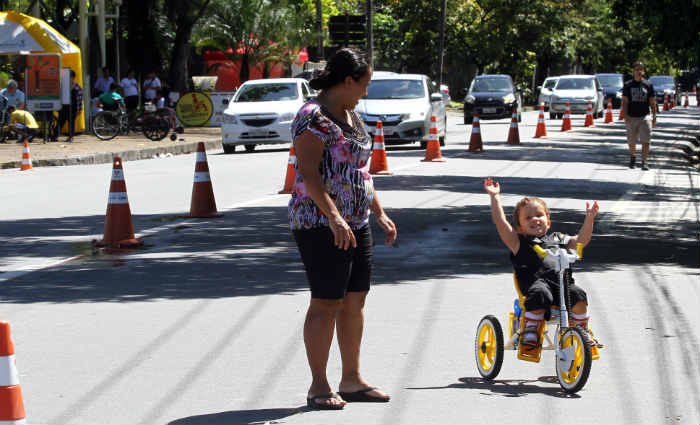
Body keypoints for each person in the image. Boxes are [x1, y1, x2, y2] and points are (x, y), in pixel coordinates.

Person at [289, 48, 397, 410]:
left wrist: (379, 212)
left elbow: (360, 171)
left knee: (355, 300)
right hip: (320, 222)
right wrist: (334, 216)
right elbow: (308, 173)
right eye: (364, 83)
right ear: (347, 81)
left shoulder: (351, 115)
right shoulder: (312, 118)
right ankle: (318, 385)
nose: (366, 91)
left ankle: (351, 379)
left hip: (357, 222)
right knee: (326, 302)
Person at [484, 178, 599, 349]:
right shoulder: (519, 242)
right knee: (540, 293)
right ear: (520, 227)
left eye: (539, 215)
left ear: (548, 221)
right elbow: (501, 224)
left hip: (562, 286)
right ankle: (531, 331)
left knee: (579, 295)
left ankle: (581, 329)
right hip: (534, 286)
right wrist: (495, 197)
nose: (534, 219)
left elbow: (581, 241)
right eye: (528, 217)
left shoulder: (558, 238)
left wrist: (589, 219)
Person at [621, 62, 657, 170]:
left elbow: (652, 101)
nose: (639, 71)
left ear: (643, 71)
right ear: (634, 71)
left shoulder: (648, 85)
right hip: (631, 116)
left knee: (646, 140)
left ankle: (644, 162)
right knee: (631, 140)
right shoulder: (628, 85)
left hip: (644, 116)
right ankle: (633, 156)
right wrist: (625, 115)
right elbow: (624, 101)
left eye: (641, 69)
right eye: (637, 69)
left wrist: (654, 116)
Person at [57, 70, 83, 142]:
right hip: (64, 107)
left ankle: (71, 137)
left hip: (73, 108)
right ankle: (54, 136)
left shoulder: (77, 87)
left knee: (71, 123)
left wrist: (79, 110)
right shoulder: (63, 87)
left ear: (73, 77)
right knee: (60, 122)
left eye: (69, 77)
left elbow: (79, 100)